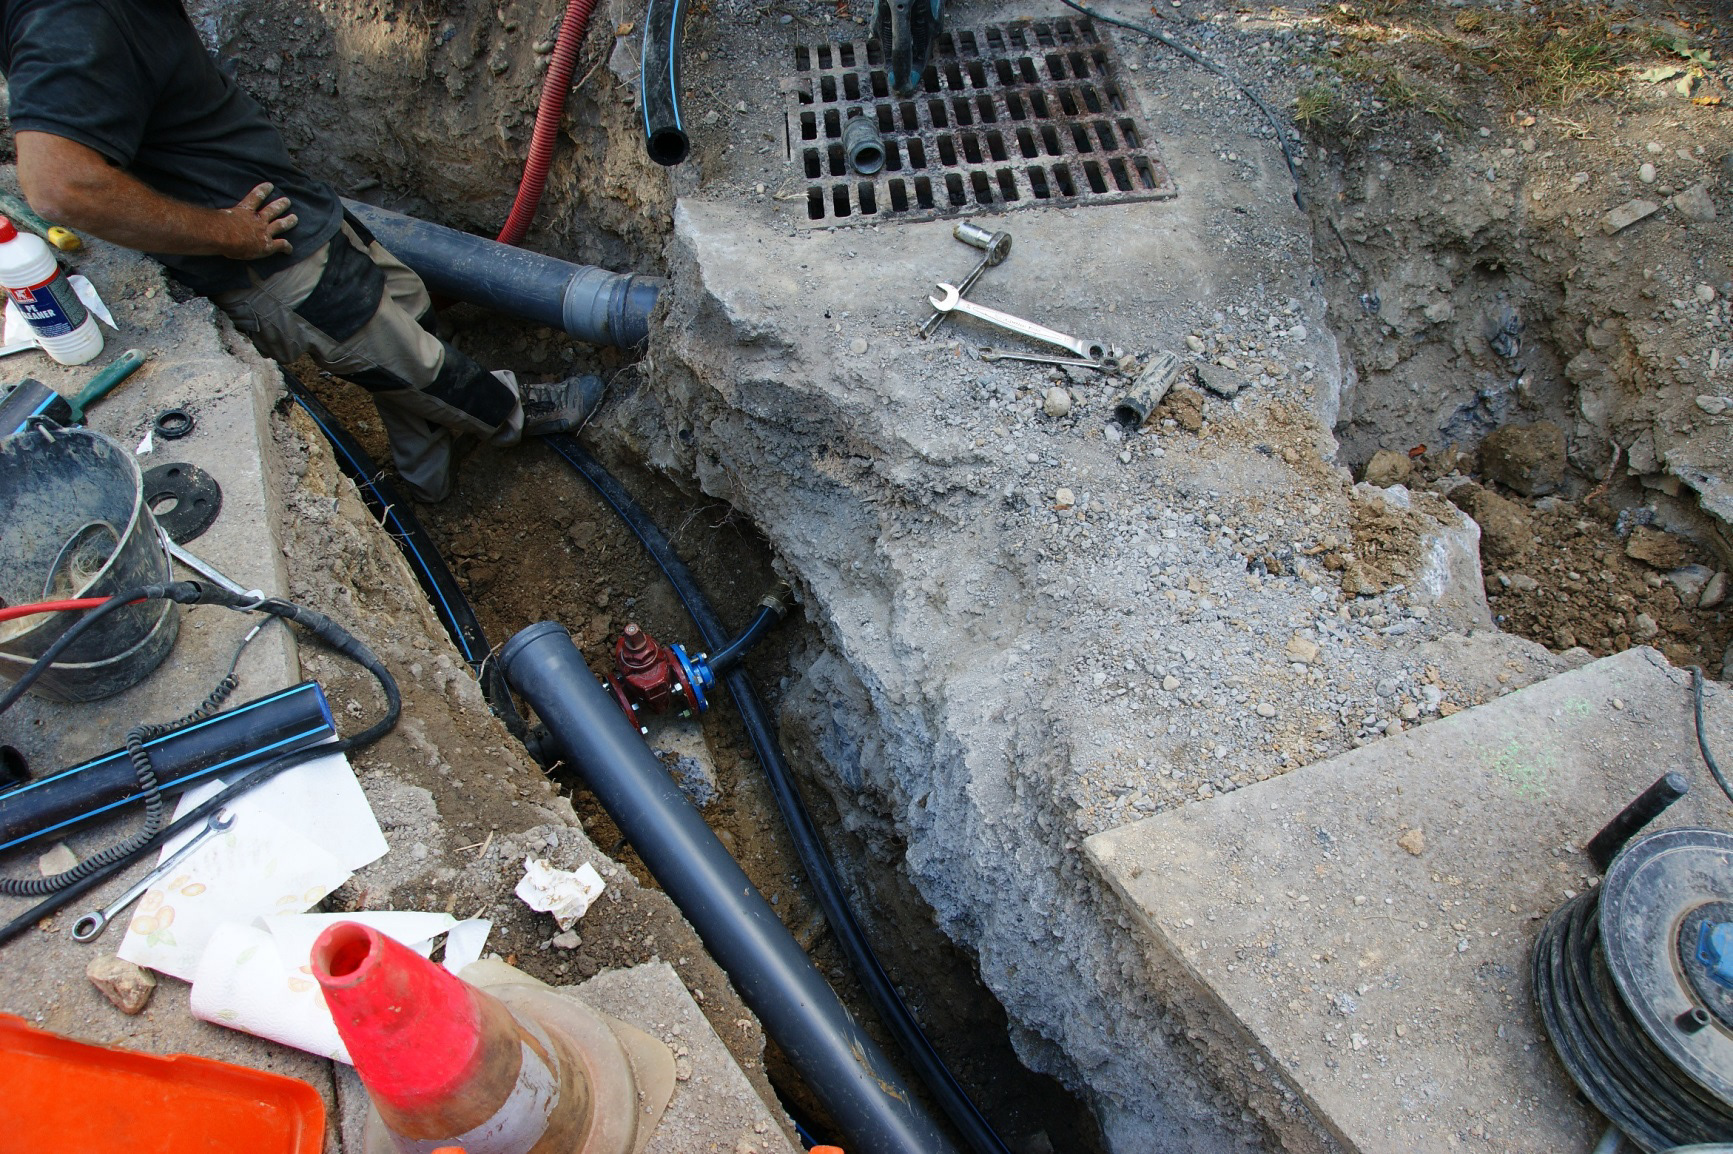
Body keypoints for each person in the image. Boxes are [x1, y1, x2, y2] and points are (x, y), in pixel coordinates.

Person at [0, 0, 597, 501]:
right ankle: (515, 413)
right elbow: (59, 185)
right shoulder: (74, 18)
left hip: (296, 214)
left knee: (410, 308)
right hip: (267, 263)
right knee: (422, 368)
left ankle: (427, 481)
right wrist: (226, 233)